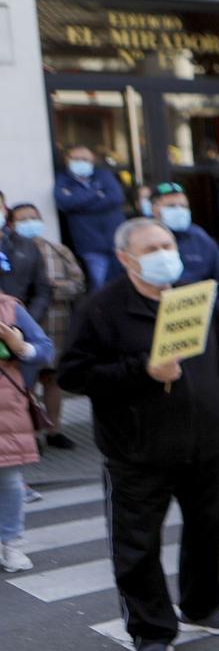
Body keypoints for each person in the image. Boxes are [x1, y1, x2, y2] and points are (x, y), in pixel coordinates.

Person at [59, 217, 219, 651]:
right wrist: (144, 370)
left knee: (206, 530)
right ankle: (151, 632)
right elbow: (73, 375)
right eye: (153, 248)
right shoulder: (103, 309)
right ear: (126, 259)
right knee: (136, 546)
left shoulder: (195, 299)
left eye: (168, 244)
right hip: (137, 451)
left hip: (202, 442)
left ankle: (202, 606)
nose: (166, 254)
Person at [8, 202, 85, 447]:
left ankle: (54, 430)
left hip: (55, 325)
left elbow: (78, 284)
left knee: (52, 380)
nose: (30, 222)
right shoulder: (12, 251)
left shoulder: (58, 250)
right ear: (12, 223)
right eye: (23, 219)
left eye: (34, 217)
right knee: (23, 383)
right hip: (20, 329)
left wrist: (54, 287)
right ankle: (29, 435)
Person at [0, 291, 55, 573]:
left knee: (8, 480)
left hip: (6, 413)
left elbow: (45, 348)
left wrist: (20, 346)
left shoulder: (9, 308)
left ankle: (11, 542)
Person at [54, 145, 127, 287]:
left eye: (85, 159)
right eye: (76, 159)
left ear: (92, 160)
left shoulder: (104, 175)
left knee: (125, 283)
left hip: (117, 242)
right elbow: (66, 203)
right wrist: (96, 192)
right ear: (67, 159)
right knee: (100, 286)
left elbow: (116, 198)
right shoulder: (62, 180)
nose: (81, 162)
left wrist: (81, 205)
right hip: (90, 246)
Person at [151, 184, 219, 287]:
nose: (178, 210)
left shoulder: (199, 237)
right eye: (171, 206)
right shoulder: (145, 237)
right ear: (155, 209)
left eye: (183, 206)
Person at [0, 202, 51, 326]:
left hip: (20, 327)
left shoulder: (26, 245)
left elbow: (42, 290)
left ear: (5, 211)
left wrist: (28, 322)